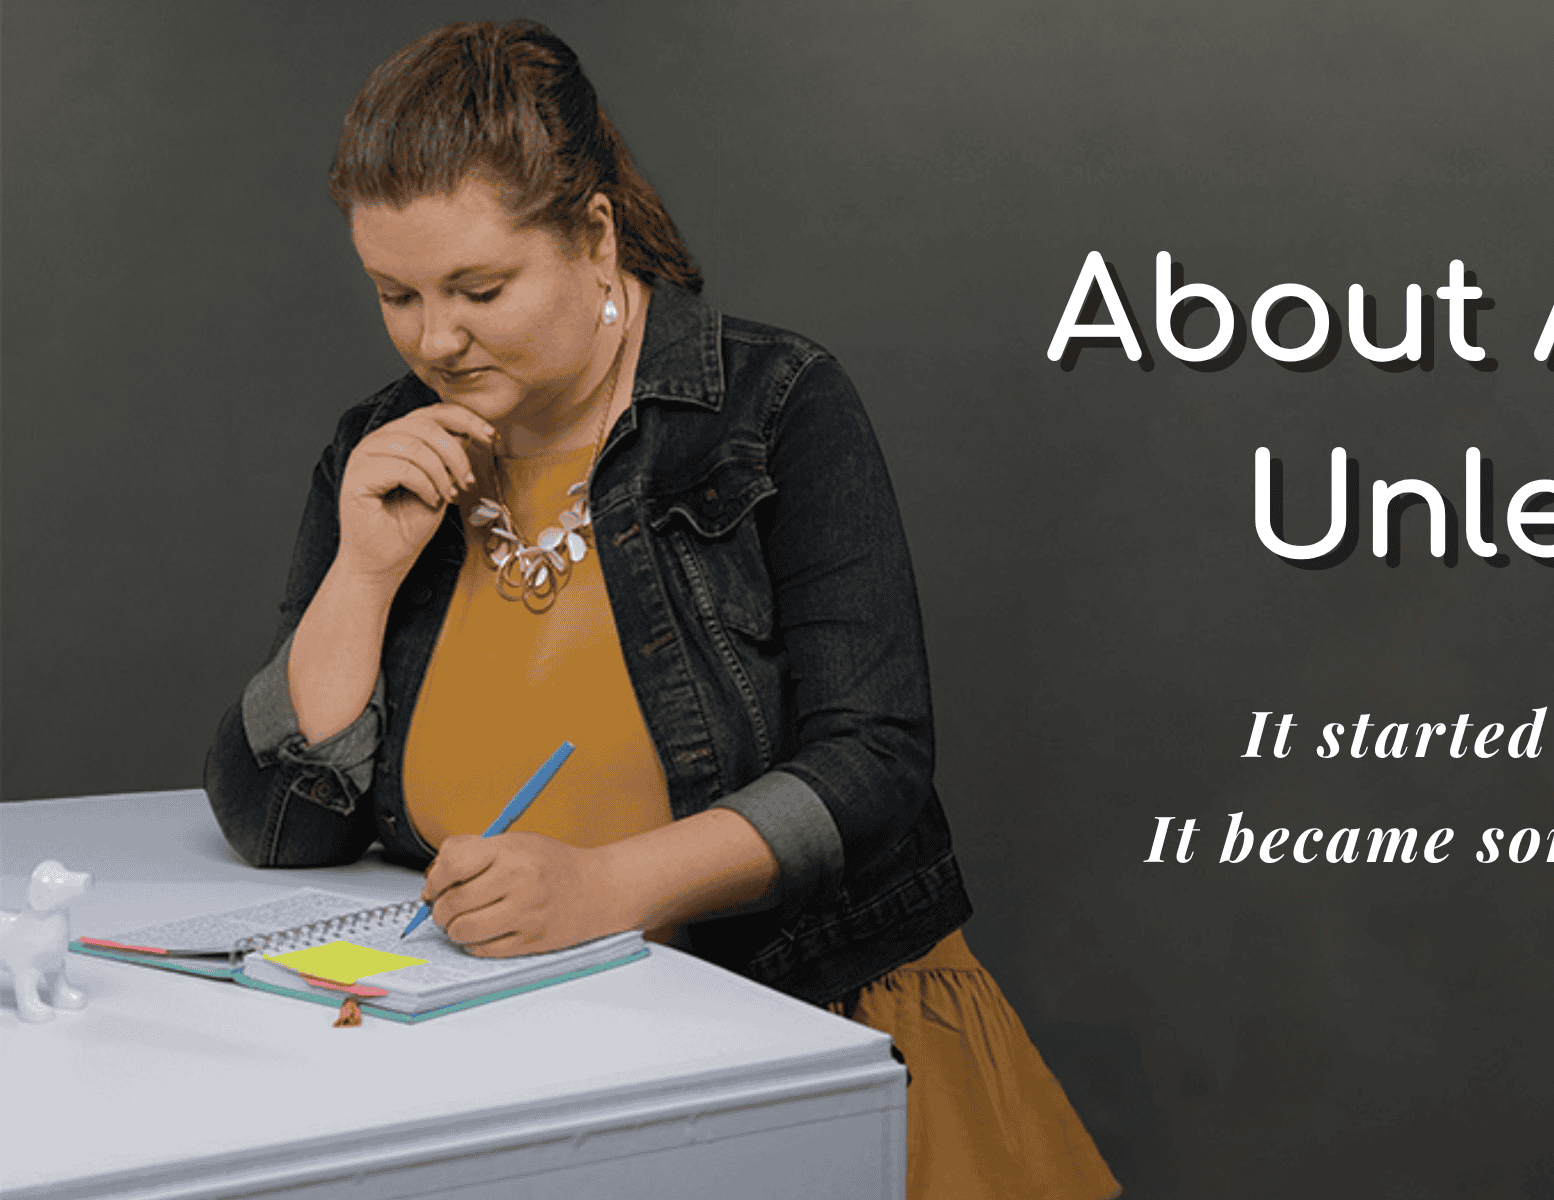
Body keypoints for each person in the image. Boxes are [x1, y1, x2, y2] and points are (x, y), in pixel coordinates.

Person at [202, 20, 1118, 1200]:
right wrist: (364, 569)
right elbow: (281, 824)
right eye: (396, 294)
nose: (437, 338)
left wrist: (602, 889)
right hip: (512, 1076)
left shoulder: (774, 406)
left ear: (592, 236)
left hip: (792, 1040)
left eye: (481, 288)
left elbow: (872, 761)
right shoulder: (381, 449)